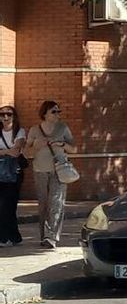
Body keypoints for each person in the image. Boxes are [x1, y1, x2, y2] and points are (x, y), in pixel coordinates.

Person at [25, 100, 76, 249]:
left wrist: (62, 144)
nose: (57, 114)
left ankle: (51, 236)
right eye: (54, 111)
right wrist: (36, 146)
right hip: (40, 170)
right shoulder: (35, 130)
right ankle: (44, 236)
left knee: (56, 202)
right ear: (45, 113)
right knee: (43, 204)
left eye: (59, 111)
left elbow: (74, 149)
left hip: (59, 170)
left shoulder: (63, 128)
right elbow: (26, 152)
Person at [0, 105, 26, 247]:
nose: (5, 117)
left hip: (13, 173)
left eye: (9, 114)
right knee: (2, 206)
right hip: (0, 171)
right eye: (2, 114)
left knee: (9, 205)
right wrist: (7, 151)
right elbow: (12, 150)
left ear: (14, 116)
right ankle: (14, 237)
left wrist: (2, 151)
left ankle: (5, 238)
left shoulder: (19, 131)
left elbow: (16, 151)